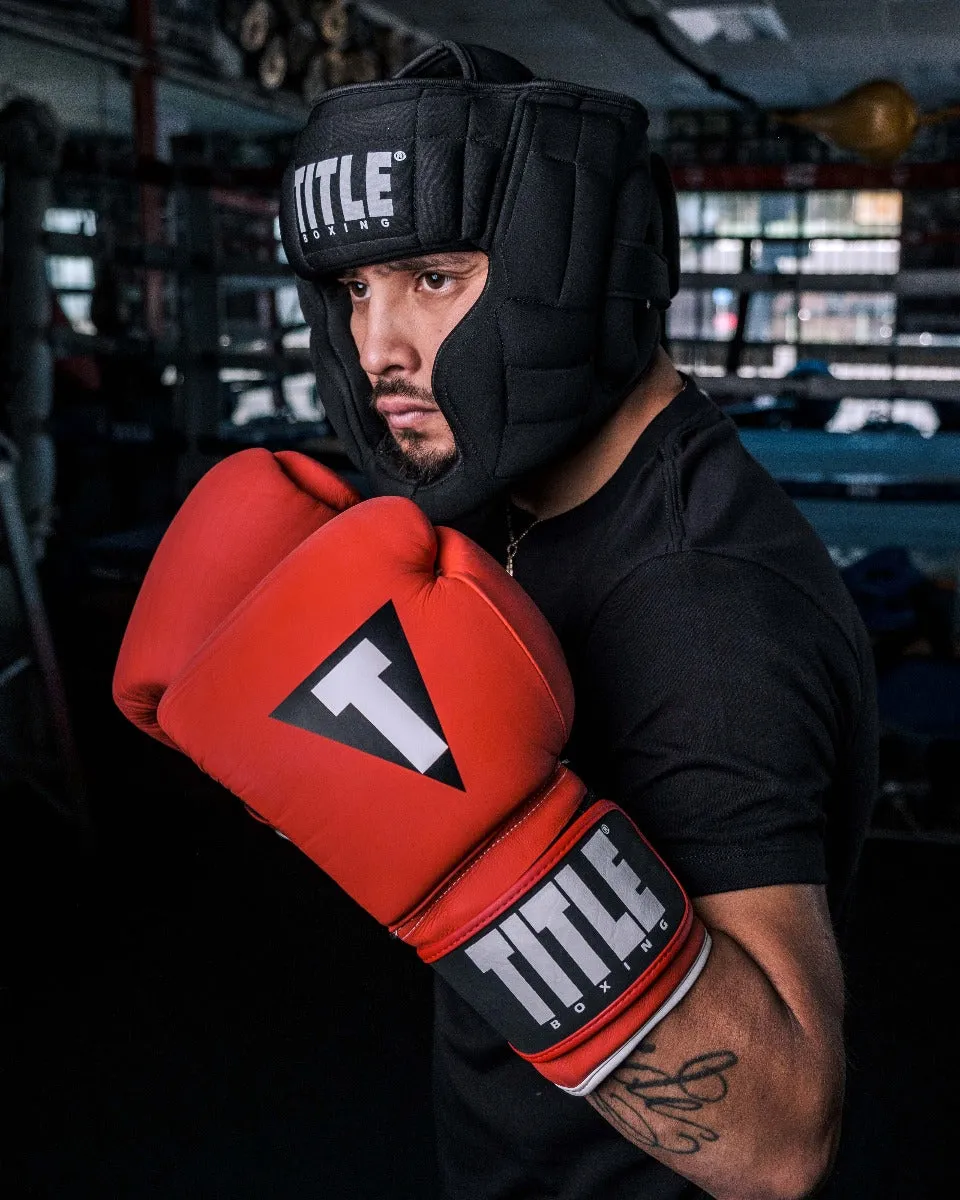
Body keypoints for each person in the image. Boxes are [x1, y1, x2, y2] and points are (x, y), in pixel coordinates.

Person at [114, 41, 878, 1200]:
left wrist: (487, 863)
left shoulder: (701, 601)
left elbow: (776, 1141)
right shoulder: (507, 506)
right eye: (352, 291)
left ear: (569, 267)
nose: (378, 348)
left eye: (431, 277)